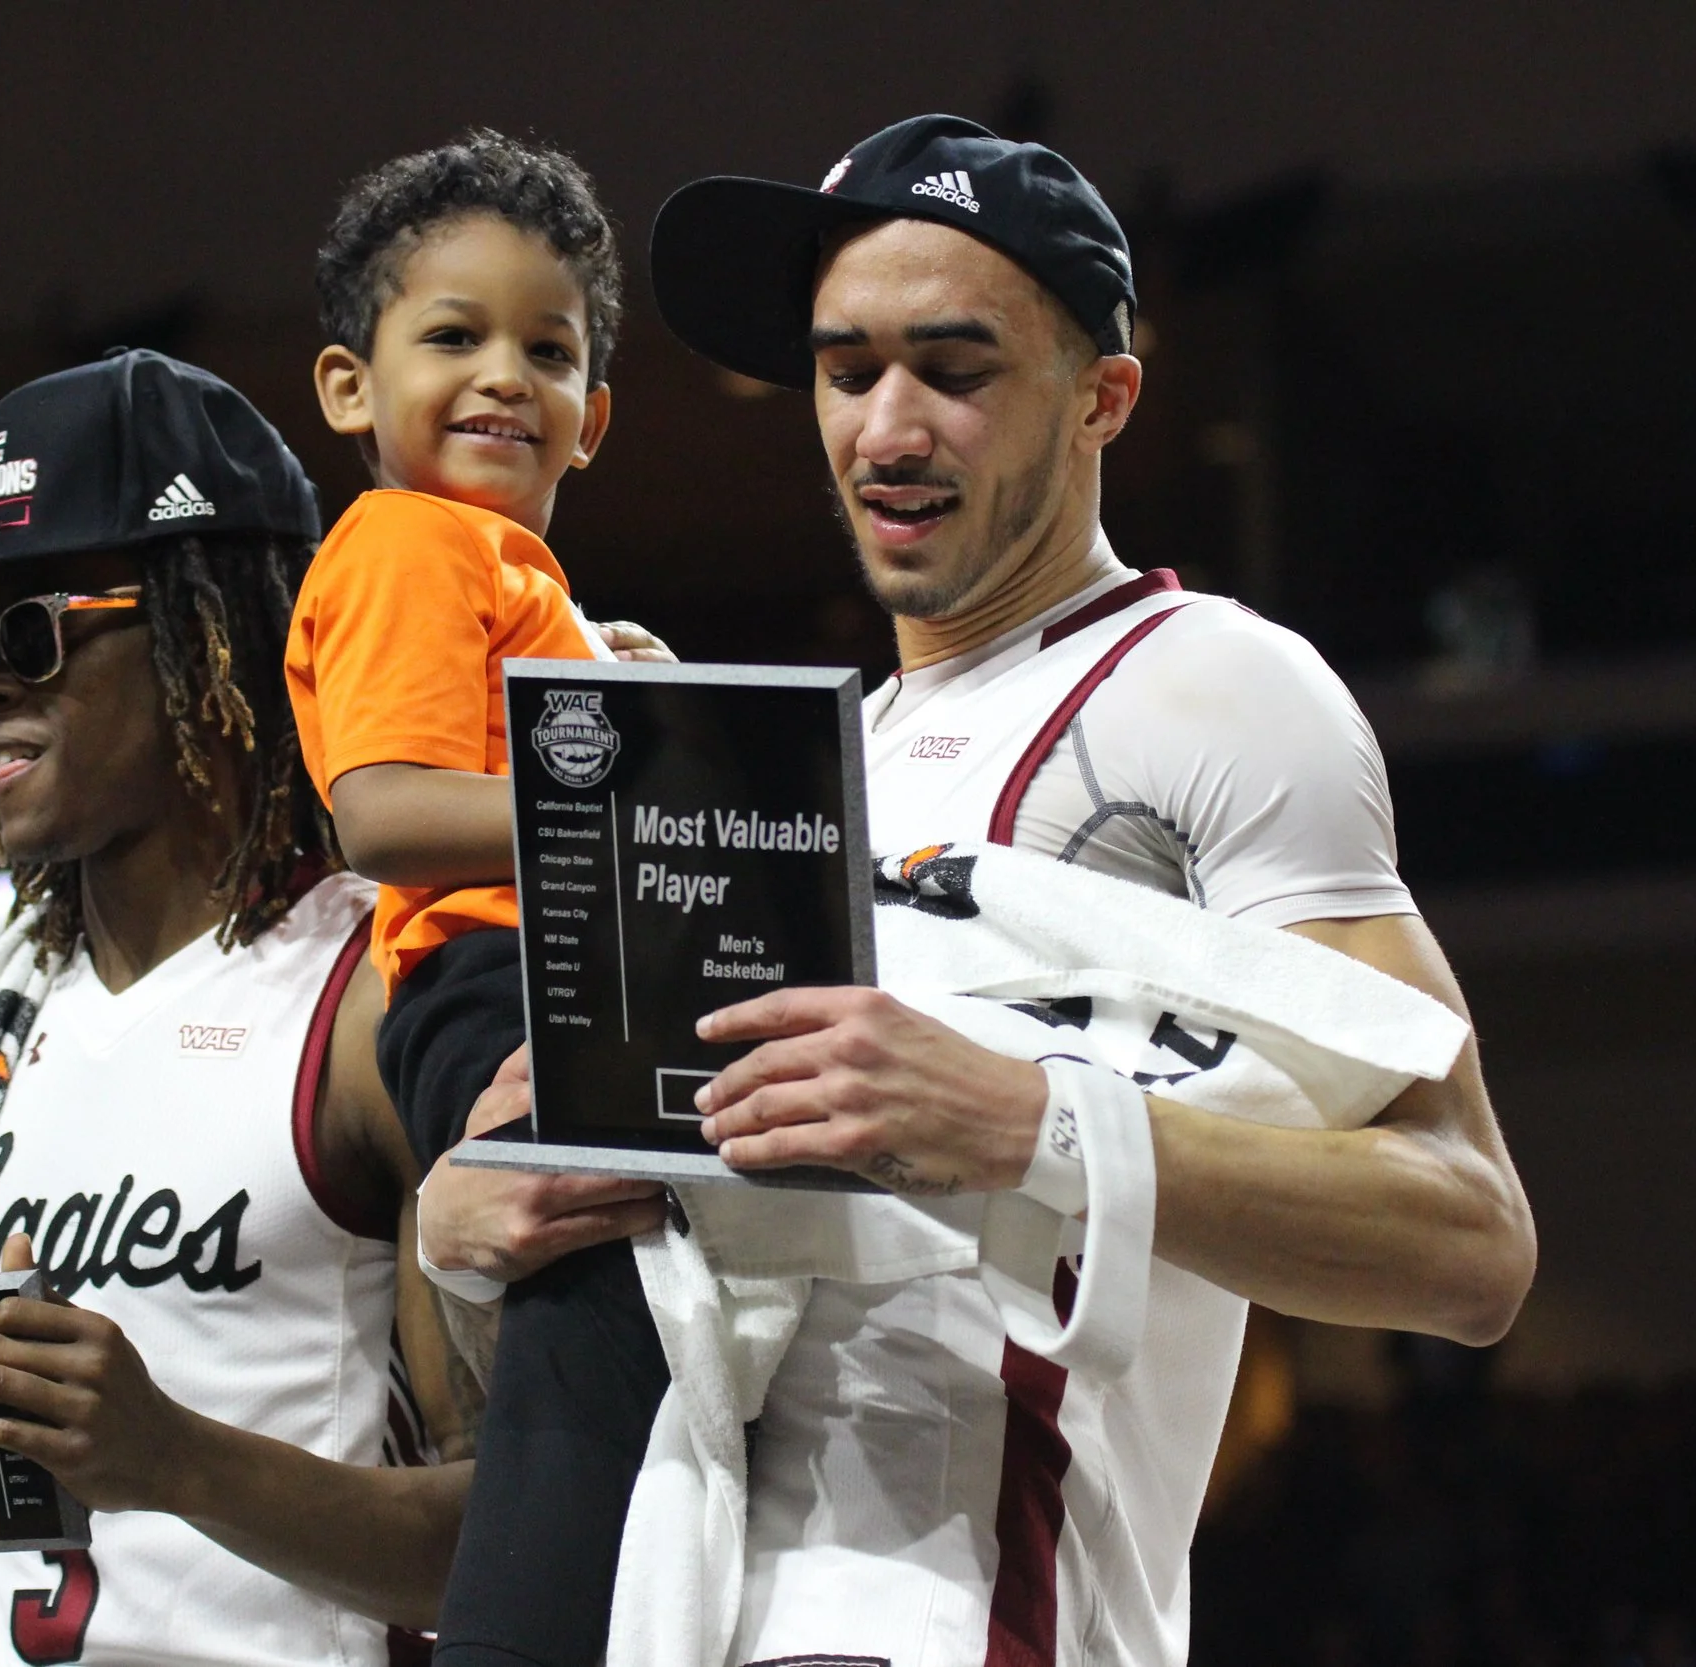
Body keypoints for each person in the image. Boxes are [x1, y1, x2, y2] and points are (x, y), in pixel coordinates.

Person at [418, 115, 1537, 1666]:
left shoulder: (1214, 689)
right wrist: (490, 1215)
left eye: (955, 369)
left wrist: (1030, 1122)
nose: (887, 427)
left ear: (1104, 397)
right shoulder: (801, 777)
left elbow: (1472, 1238)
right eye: (845, 367)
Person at [0, 348, 474, 1667]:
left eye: (34, 632)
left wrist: (175, 1457)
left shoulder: (378, 990)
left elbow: (522, 1535)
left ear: (213, 631)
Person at [286, 131, 675, 1667]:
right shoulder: (405, 541)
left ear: (594, 416)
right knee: (586, 1344)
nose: (503, 373)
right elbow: (382, 815)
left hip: (553, 974)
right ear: (349, 387)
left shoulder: (522, 584)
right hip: (485, 990)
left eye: (548, 346)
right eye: (452, 336)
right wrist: (639, 799)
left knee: (639, 1340)